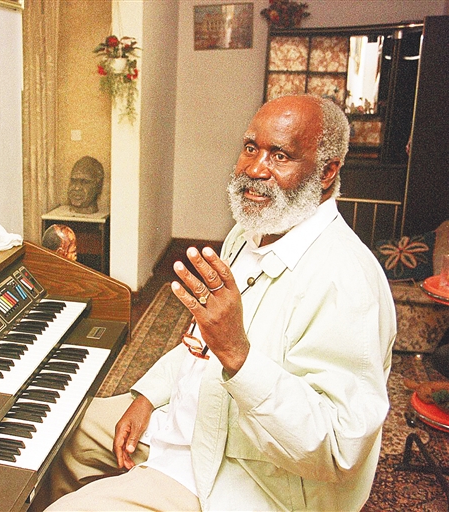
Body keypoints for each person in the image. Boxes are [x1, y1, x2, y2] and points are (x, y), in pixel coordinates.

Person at [40, 94, 397, 511]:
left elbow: (338, 448)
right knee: (59, 430)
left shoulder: (346, 281)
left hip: (244, 476)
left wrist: (238, 355)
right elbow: (200, 347)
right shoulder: (248, 234)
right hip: (190, 422)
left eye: (280, 156)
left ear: (327, 171)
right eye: (251, 148)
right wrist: (148, 396)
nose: (255, 169)